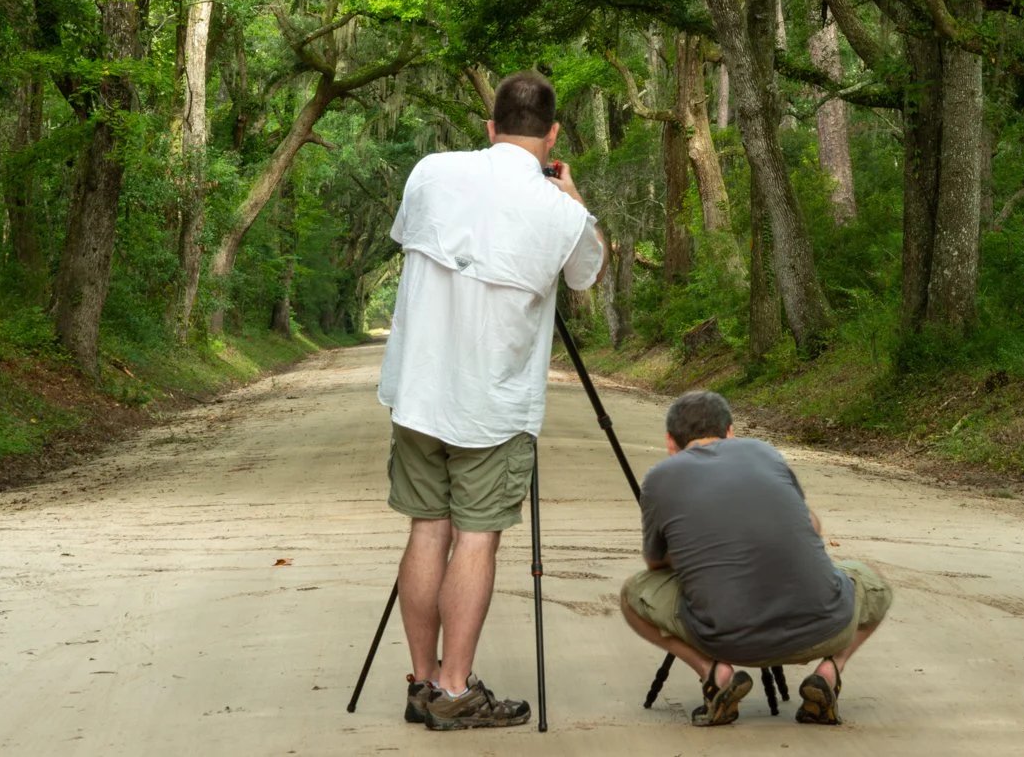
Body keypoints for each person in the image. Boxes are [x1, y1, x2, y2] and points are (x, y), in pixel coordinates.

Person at [377, 70, 605, 731]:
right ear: (553, 134)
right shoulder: (560, 211)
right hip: (491, 404)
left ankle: (423, 680)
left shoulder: (430, 171)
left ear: (490, 125)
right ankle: (454, 687)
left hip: (418, 390)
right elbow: (588, 269)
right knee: (475, 537)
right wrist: (570, 194)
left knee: (427, 528)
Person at [620, 390, 892, 727]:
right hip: (824, 628)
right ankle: (830, 669)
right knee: (873, 581)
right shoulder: (764, 452)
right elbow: (812, 526)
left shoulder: (659, 478)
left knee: (633, 595)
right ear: (731, 432)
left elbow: (655, 566)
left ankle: (714, 673)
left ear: (670, 441)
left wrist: (700, 555)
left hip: (729, 640)